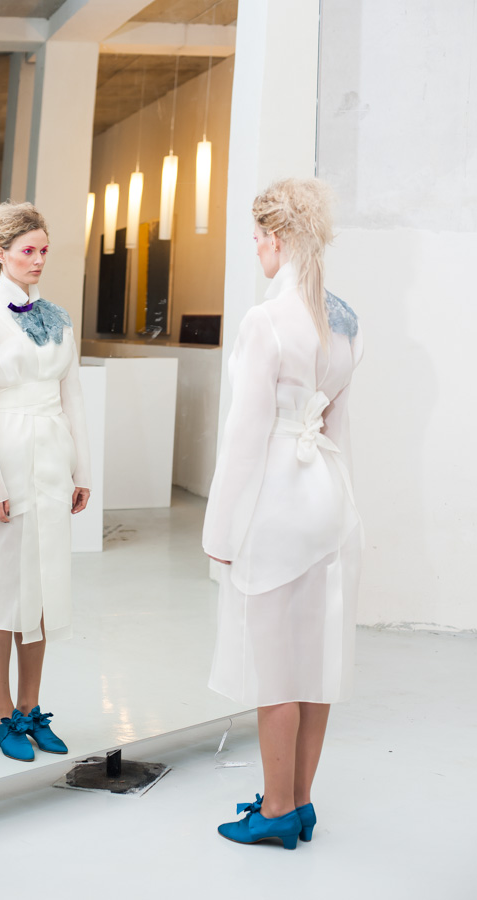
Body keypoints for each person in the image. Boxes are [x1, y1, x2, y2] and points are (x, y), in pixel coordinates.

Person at [203, 178, 363, 848]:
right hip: (328, 498)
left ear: (276, 237)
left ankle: (274, 810)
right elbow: (340, 429)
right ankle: (299, 801)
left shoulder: (266, 320)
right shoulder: (345, 321)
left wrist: (218, 530)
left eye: (256, 238)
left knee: (274, 666)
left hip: (275, 501)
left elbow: (244, 437)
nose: (255, 249)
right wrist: (345, 503)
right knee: (315, 661)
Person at [0, 201, 91, 762]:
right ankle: (2, 712)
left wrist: (82, 469)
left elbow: (72, 394)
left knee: (42, 586)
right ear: (1, 253)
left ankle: (32, 708)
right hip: (6, 460)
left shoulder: (58, 317)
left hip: (52, 459)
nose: (37, 260)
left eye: (43, 251)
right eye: (27, 251)